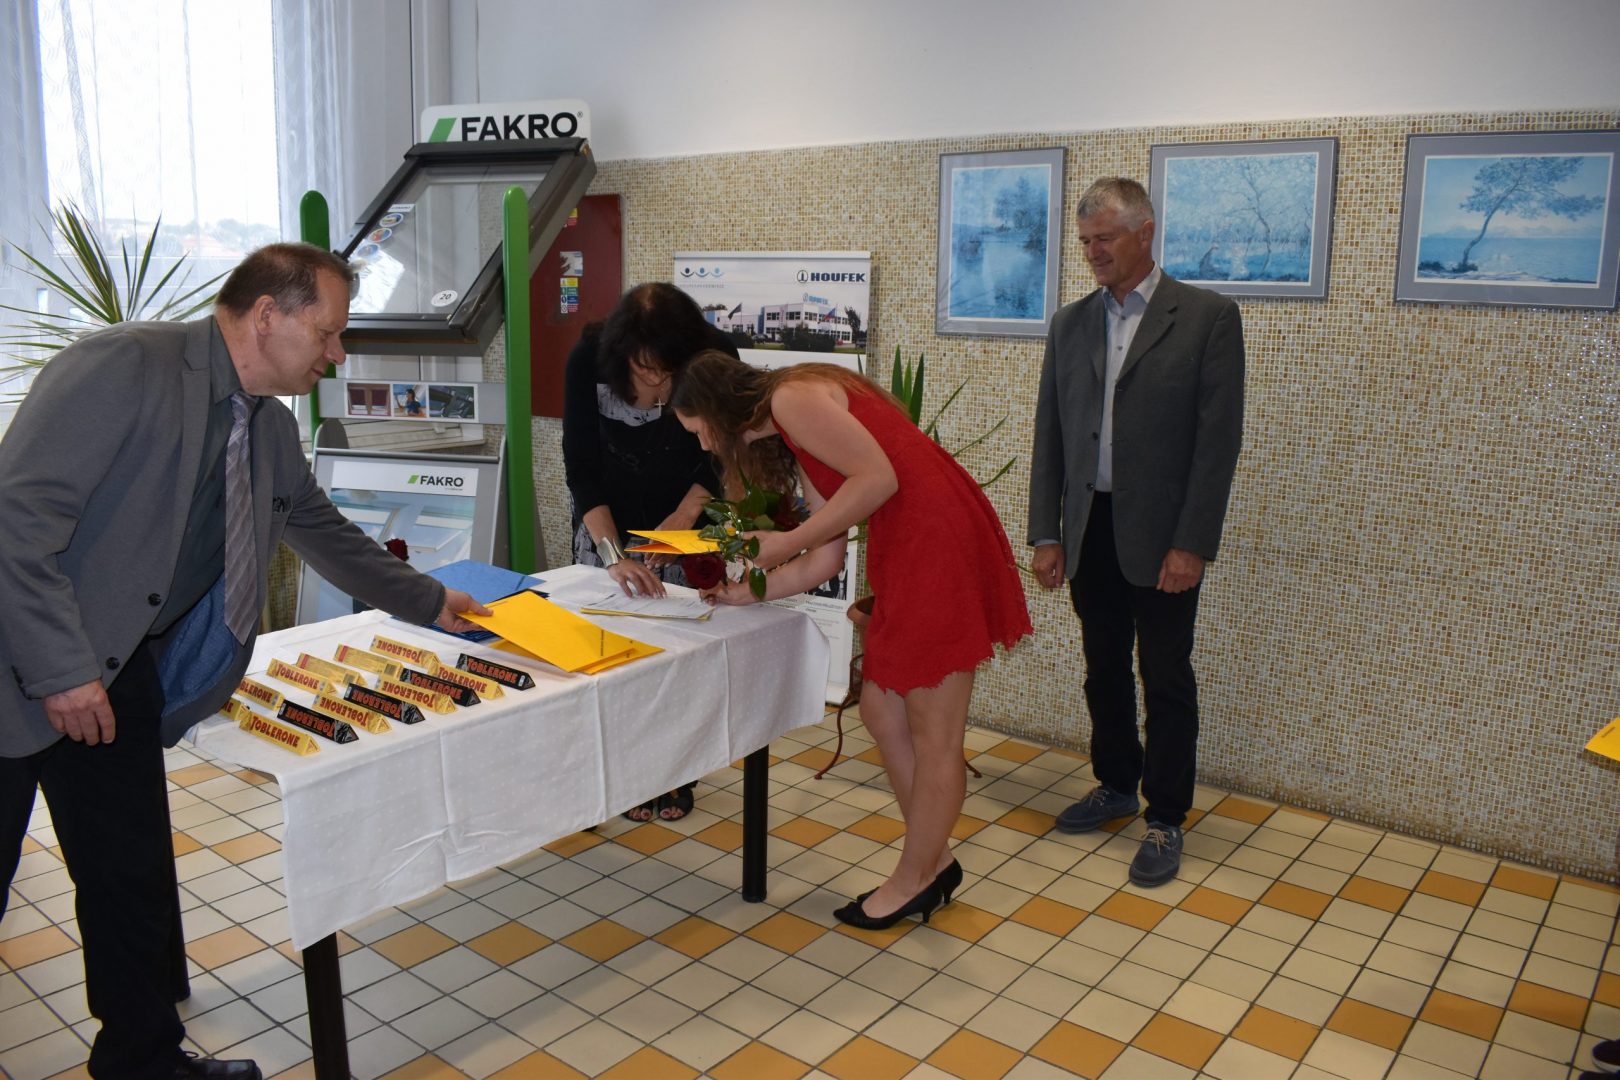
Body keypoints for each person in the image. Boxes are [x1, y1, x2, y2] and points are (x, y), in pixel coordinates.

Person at [0, 242, 489, 1080]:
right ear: (268, 315)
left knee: (128, 879)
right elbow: (14, 522)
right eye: (328, 333)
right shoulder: (123, 368)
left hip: (116, 674)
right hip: (26, 651)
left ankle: (142, 1062)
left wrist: (427, 599)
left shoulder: (265, 425)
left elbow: (319, 526)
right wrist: (62, 671)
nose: (337, 354)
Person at [671, 353, 1032, 929]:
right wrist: (745, 594)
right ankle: (932, 859)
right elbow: (826, 559)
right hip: (912, 543)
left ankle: (914, 878)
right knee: (880, 709)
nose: (705, 446)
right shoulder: (792, 430)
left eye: (699, 431)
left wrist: (786, 541)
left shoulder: (791, 397)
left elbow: (880, 479)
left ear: (717, 410)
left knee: (935, 733)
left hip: (935, 541)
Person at [1027, 177, 1244, 887]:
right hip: (1091, 528)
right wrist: (1047, 532)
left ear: (1145, 233)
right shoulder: (1069, 324)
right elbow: (1051, 435)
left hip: (1163, 537)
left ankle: (1166, 816)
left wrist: (1193, 544)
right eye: (1086, 241)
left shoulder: (1208, 317)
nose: (1093, 252)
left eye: (1105, 239)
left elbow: (1217, 446)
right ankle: (1116, 783)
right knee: (1104, 668)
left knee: (1166, 676)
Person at [561, 283, 739, 822]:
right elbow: (580, 465)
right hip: (606, 518)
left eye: (666, 369)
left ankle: (675, 769)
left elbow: (723, 451)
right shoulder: (588, 359)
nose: (657, 381)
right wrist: (612, 553)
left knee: (680, 652)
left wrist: (684, 518)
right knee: (609, 651)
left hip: (688, 518)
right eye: (644, 368)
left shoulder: (715, 355)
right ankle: (619, 771)